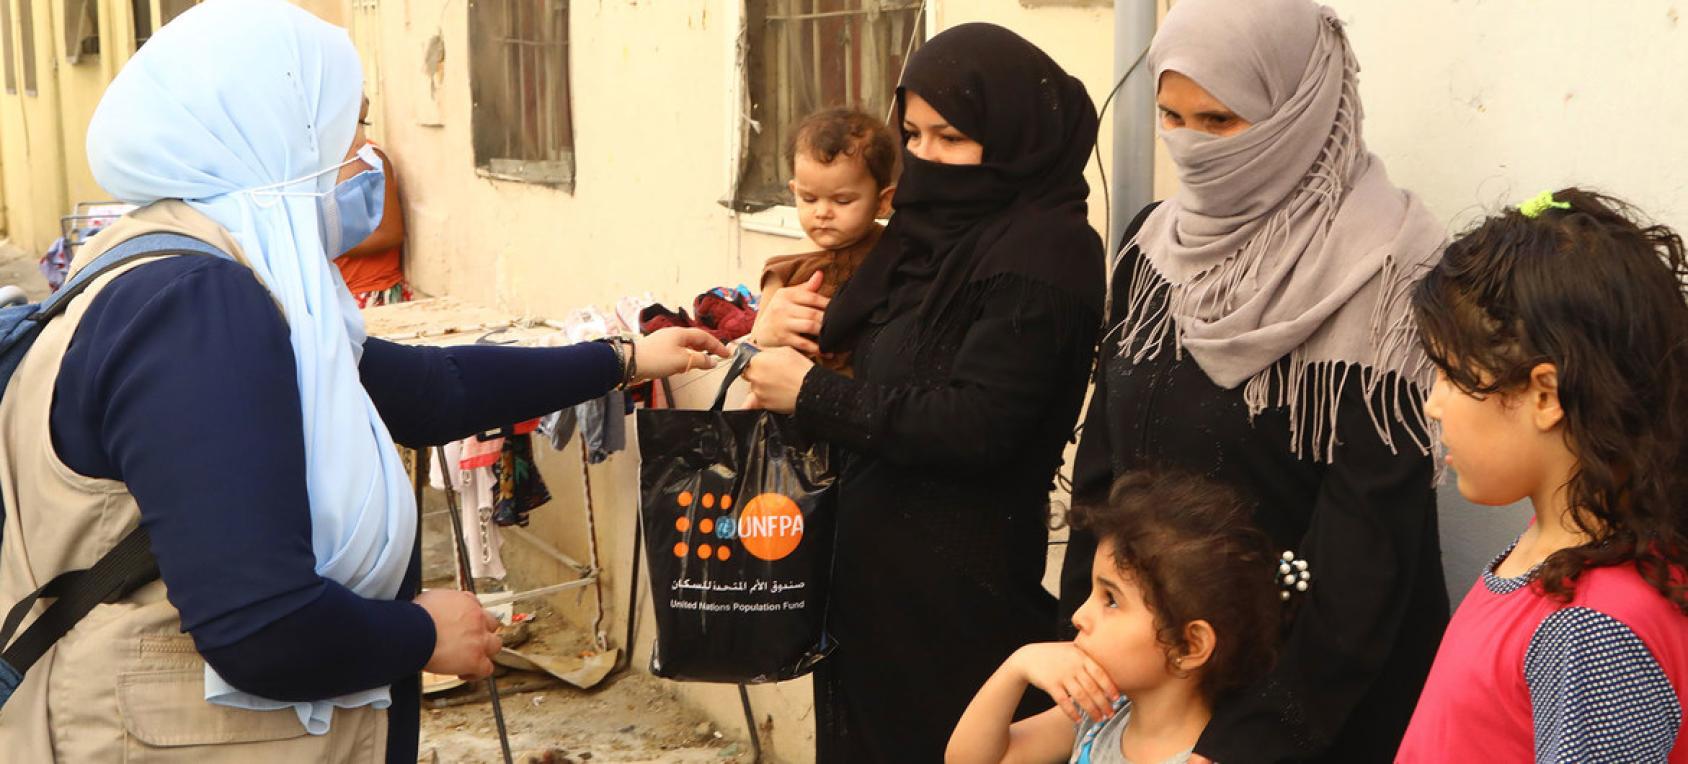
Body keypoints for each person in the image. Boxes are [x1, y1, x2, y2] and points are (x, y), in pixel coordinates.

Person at [0, 2, 725, 761]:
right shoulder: (199, 308)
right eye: (349, 125)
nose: (365, 154)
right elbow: (259, 626)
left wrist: (622, 359)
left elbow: (424, 390)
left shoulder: (167, 264)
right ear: (275, 130)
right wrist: (424, 632)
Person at [1057, 1, 1451, 761]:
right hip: (1149, 693)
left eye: (1219, 121)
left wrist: (1248, 743)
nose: (1189, 147)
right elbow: (1104, 474)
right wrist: (1085, 649)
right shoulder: (1153, 247)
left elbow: (1368, 552)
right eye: (1170, 117)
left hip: (1308, 710)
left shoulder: (1389, 274)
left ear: (1300, 113)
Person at [741, 23, 1105, 761]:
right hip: (863, 583)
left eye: (951, 136)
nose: (927, 158)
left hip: (956, 597)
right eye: (913, 134)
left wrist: (812, 393)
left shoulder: (1048, 253)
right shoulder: (917, 236)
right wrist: (774, 323)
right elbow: (844, 335)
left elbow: (980, 424)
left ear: (1012, 137)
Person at [1396, 189, 1688, 761]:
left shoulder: (1593, 632)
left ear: (1545, 394)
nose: (1433, 405)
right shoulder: (1554, 547)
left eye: (1451, 376)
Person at [947, 471, 1283, 764]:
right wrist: (1018, 666)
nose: (1079, 615)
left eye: (1110, 600)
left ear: (1190, 645)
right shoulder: (1101, 713)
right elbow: (972, 759)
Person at [752, 106, 898, 374]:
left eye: (842, 200)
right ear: (794, 190)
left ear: (883, 202)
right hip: (797, 390)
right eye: (808, 199)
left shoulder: (893, 247)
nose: (822, 213)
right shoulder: (785, 267)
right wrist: (765, 338)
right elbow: (758, 341)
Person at [334, 95, 412, 308]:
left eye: (362, 123)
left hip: (369, 292)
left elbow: (390, 234)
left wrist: (324, 242)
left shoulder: (369, 159)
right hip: (334, 293)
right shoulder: (308, 164)